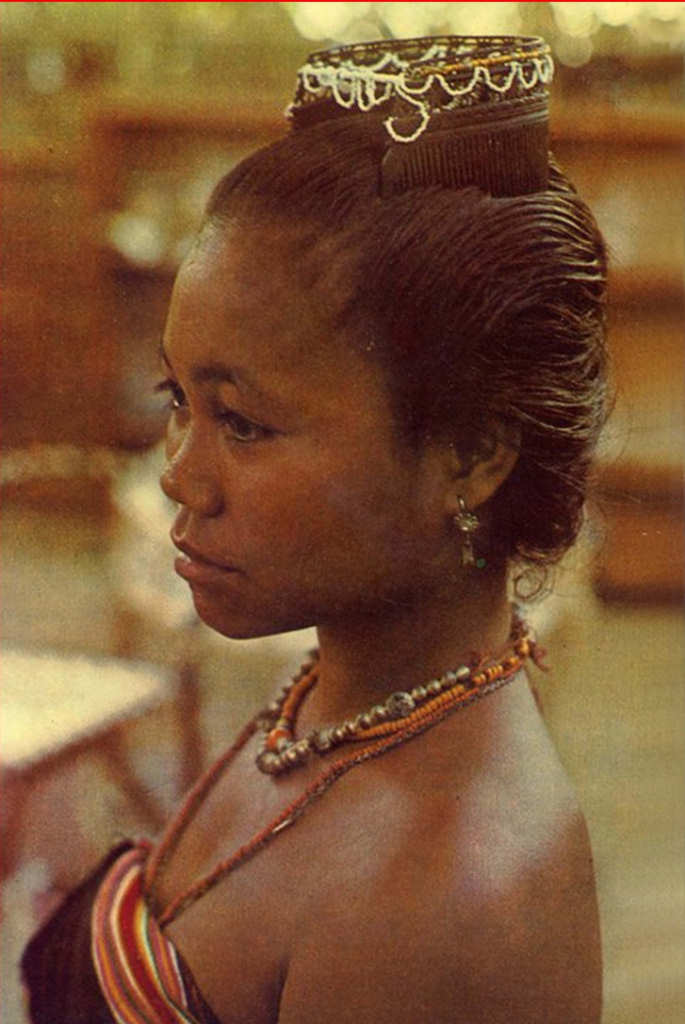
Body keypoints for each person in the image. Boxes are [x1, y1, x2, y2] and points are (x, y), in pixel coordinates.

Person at [23, 35, 607, 1023]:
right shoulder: (338, 703)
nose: (180, 476)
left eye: (243, 422)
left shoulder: (434, 912)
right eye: (179, 399)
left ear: (470, 452)